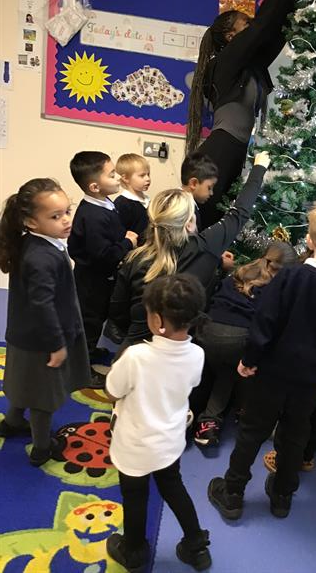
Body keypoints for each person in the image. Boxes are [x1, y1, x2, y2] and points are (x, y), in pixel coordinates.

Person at [207, 201, 316, 521]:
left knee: (252, 431)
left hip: (271, 375)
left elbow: (265, 321)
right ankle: (282, 496)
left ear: (309, 241)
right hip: (309, 383)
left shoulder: (289, 277)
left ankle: (232, 492)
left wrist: (250, 358)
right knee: (294, 436)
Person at [186, 0, 316, 229]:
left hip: (236, 150)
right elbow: (264, 25)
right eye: (245, 25)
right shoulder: (224, 62)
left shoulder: (250, 66)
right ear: (231, 37)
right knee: (206, 223)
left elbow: (274, 31)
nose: (252, 28)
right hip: (222, 151)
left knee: (221, 222)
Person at [108, 151, 270, 348]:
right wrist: (259, 168)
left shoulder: (135, 258)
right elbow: (239, 213)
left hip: (134, 350)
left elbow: (117, 313)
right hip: (178, 350)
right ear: (188, 224)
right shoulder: (204, 246)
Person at [105, 274, 211, 572]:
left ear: (157, 321)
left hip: (134, 446)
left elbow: (112, 391)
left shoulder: (136, 356)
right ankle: (196, 545)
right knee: (174, 489)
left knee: (135, 496)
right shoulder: (198, 354)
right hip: (170, 442)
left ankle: (133, 550)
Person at [0, 178, 91, 465]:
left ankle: (12, 421)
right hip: (43, 341)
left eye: (67, 211)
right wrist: (57, 344)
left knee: (24, 382)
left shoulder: (35, 244)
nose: (66, 220)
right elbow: (43, 305)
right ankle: (41, 447)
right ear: (31, 222)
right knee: (43, 397)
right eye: (55, 216)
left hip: (25, 334)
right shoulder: (42, 257)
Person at [194, 241, 298, 448]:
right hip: (238, 338)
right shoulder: (275, 289)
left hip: (206, 331)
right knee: (243, 366)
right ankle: (232, 414)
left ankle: (201, 418)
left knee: (221, 370)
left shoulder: (240, 271)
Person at [68, 152, 137, 375]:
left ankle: (88, 352)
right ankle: (82, 369)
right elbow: (104, 254)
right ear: (95, 187)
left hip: (101, 278)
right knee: (90, 321)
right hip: (92, 282)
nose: (118, 178)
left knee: (97, 318)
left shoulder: (104, 203)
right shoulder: (93, 216)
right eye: (112, 175)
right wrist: (127, 243)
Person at [114, 153, 151, 239]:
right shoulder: (122, 204)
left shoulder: (147, 201)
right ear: (126, 178)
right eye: (142, 175)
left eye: (148, 174)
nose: (148, 179)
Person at [181, 152, 218, 232]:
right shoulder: (183, 210)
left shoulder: (184, 202)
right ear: (194, 183)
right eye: (209, 188)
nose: (211, 193)